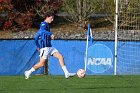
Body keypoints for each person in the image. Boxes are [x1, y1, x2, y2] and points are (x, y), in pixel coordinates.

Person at [24, 12, 76, 79]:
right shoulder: (43, 24)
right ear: (47, 17)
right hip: (45, 48)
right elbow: (41, 32)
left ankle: (66, 73)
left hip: (50, 47)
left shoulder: (47, 26)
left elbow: (37, 37)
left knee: (61, 57)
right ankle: (28, 72)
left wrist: (38, 45)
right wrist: (50, 34)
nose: (52, 20)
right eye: (51, 18)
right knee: (41, 64)